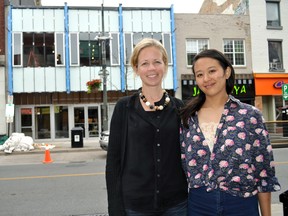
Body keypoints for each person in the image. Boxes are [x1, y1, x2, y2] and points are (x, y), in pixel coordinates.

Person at [180, 49, 281, 216]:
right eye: (199, 74)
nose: (206, 79)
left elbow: (263, 172)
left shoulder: (250, 115)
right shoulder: (188, 117)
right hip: (199, 204)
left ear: (226, 72)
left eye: (212, 71)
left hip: (241, 203)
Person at [105, 38, 188, 216]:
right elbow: (113, 163)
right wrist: (115, 208)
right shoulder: (124, 107)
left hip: (177, 205)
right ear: (136, 68)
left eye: (157, 62)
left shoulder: (179, 107)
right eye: (144, 63)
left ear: (165, 65)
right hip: (135, 206)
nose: (151, 68)